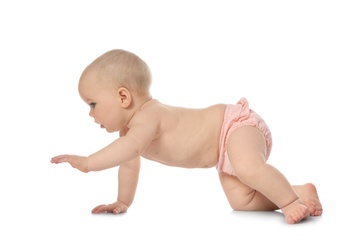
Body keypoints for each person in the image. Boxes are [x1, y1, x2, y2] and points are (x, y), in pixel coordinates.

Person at [51, 49, 323, 224]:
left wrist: (88, 163)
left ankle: (289, 203)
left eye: (92, 104)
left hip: (235, 127)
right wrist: (123, 201)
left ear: (123, 97)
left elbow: (127, 149)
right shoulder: (130, 132)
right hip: (221, 154)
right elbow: (129, 163)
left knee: (248, 167)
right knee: (242, 201)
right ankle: (298, 191)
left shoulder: (148, 117)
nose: (90, 114)